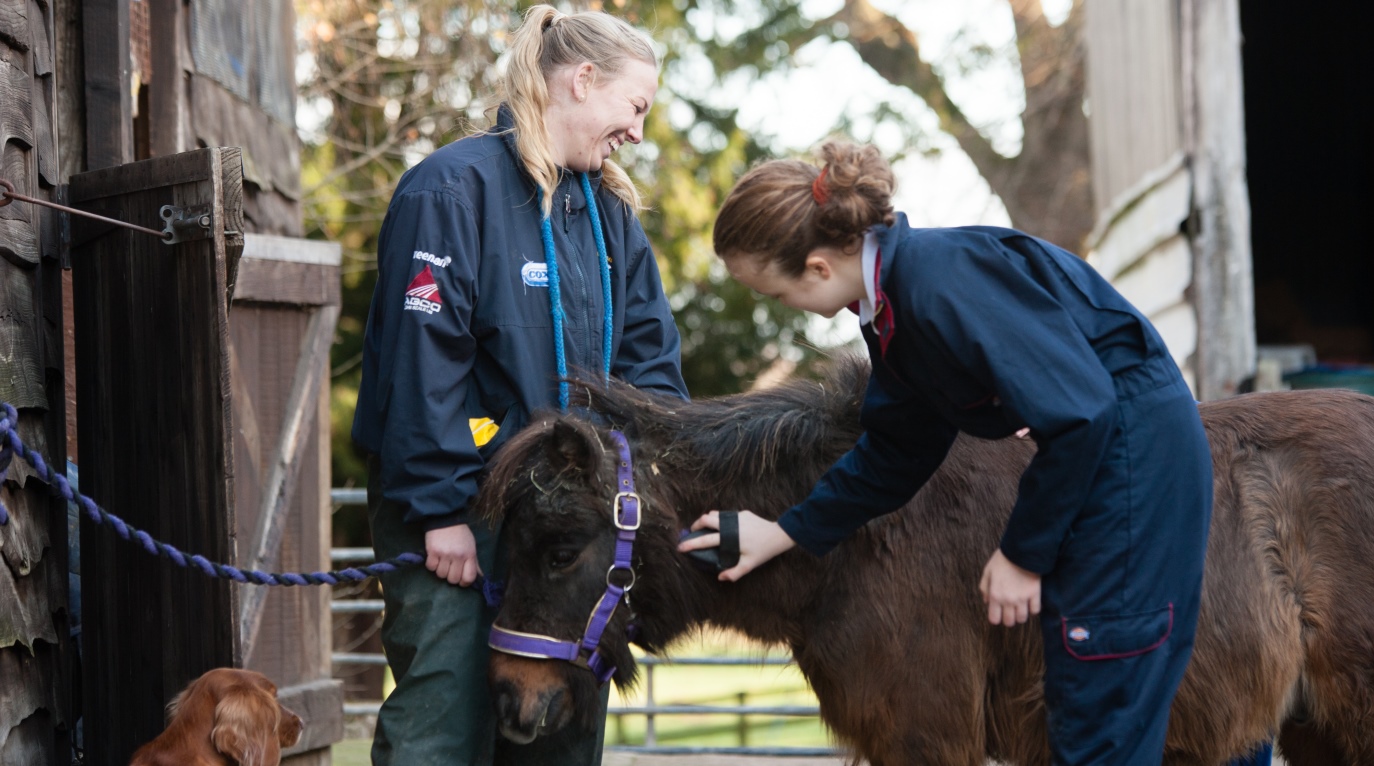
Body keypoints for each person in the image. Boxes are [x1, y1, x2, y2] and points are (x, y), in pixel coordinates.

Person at [679, 140, 1214, 765]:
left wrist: (1022, 555)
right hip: (1104, 447)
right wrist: (785, 532)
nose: (782, 308)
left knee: (1100, 696)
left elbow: (1081, 414)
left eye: (775, 294)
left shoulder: (939, 283)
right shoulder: (891, 308)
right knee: (1081, 694)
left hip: (1134, 455)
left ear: (820, 267)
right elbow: (897, 450)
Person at [351, 6, 688, 764]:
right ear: (582, 80)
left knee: (562, 730)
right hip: (461, 514)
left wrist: (662, 488)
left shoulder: (609, 218)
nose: (638, 131)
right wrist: (440, 510)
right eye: (635, 108)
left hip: (573, 528)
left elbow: (652, 373)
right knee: (445, 722)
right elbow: (420, 359)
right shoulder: (447, 191)